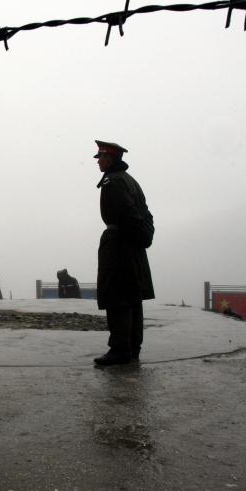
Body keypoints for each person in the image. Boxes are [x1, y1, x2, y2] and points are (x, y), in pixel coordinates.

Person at [93, 140, 154, 366]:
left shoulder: (113, 182)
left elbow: (128, 214)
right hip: (132, 245)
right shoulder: (131, 181)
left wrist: (137, 235)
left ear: (110, 158)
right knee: (132, 296)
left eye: (100, 157)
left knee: (117, 296)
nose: (98, 162)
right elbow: (146, 215)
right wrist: (145, 236)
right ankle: (132, 346)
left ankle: (120, 349)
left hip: (119, 244)